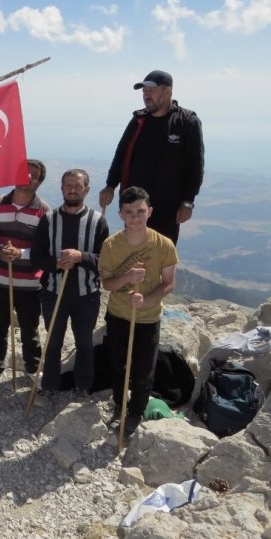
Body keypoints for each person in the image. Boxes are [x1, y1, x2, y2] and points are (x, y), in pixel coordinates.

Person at [98, 187, 178, 437]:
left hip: (148, 317)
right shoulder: (111, 245)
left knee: (144, 370)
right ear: (121, 214)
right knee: (118, 366)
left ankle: (135, 413)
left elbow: (169, 283)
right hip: (119, 314)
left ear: (150, 212)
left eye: (140, 211)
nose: (135, 217)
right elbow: (107, 283)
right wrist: (128, 277)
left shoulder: (164, 245)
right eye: (129, 212)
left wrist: (146, 301)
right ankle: (120, 407)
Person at [99, 70, 204, 244]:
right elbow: (121, 154)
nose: (146, 95)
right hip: (135, 207)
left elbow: (196, 166)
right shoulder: (139, 120)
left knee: (161, 259)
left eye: (151, 90)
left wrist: (188, 202)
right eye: (144, 91)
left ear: (167, 91)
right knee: (133, 258)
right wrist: (110, 185)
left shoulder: (187, 122)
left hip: (168, 208)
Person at [32, 169, 109, 396]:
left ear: (86, 189)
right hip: (53, 292)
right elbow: (36, 257)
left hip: (87, 294)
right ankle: (49, 385)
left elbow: (105, 261)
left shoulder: (98, 221)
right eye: (68, 185)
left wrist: (80, 257)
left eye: (77, 185)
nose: (72, 190)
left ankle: (83, 386)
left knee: (84, 343)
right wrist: (56, 264)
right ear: (62, 188)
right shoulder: (49, 219)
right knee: (53, 341)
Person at [0, 159, 51, 388]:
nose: (28, 178)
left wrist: (18, 253)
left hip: (30, 284)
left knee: (30, 329)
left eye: (35, 175)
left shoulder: (45, 212)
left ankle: (33, 368)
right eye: (25, 173)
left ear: (39, 182)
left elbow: (43, 250)